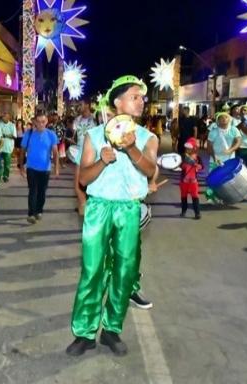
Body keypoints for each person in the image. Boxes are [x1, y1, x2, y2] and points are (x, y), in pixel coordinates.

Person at [66, 76, 158, 357]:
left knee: (124, 272)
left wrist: (131, 148)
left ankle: (111, 330)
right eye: (134, 96)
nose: (141, 101)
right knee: (92, 270)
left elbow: (149, 170)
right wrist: (101, 160)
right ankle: (84, 332)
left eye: (142, 97)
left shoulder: (148, 138)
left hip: (128, 208)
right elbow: (83, 178)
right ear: (117, 102)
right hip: (99, 208)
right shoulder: (93, 135)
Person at [19, 111, 59, 224]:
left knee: (42, 192)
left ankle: (39, 210)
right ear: (35, 122)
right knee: (33, 190)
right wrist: (21, 167)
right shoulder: (29, 133)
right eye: (39, 122)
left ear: (46, 122)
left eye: (43, 122)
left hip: (45, 169)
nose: (41, 124)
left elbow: (55, 152)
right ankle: (31, 213)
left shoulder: (51, 134)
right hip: (31, 168)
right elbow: (22, 151)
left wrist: (56, 168)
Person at [206, 112, 242, 202]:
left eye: (226, 117)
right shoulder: (213, 132)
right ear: (218, 121)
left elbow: (238, 141)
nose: (224, 120)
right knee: (213, 179)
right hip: (215, 160)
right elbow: (209, 147)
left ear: (229, 119)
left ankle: (225, 197)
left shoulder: (234, 130)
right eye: (221, 118)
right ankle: (211, 197)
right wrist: (214, 158)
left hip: (229, 160)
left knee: (227, 181)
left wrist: (231, 150)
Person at [73, 102, 96, 216]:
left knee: (90, 183)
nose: (80, 107)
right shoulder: (77, 120)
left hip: (93, 153)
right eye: (80, 105)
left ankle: (87, 205)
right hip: (79, 153)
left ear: (88, 106)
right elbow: (75, 135)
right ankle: (82, 204)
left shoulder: (95, 119)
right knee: (78, 184)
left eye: (82, 104)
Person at [179, 138, 203, 219]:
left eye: (189, 148)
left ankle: (197, 213)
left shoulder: (198, 158)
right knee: (183, 197)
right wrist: (183, 165)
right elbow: (179, 166)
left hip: (193, 181)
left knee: (195, 197)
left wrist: (197, 166)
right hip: (184, 181)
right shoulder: (183, 156)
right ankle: (183, 211)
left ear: (194, 148)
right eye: (186, 148)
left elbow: (202, 166)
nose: (187, 149)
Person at [0, 113, 16, 182]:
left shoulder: (12, 125)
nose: (3, 118)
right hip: (0, 147)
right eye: (3, 116)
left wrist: (5, 135)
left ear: (8, 118)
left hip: (8, 147)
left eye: (5, 117)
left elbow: (14, 136)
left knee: (7, 164)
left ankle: (6, 176)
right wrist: (7, 135)